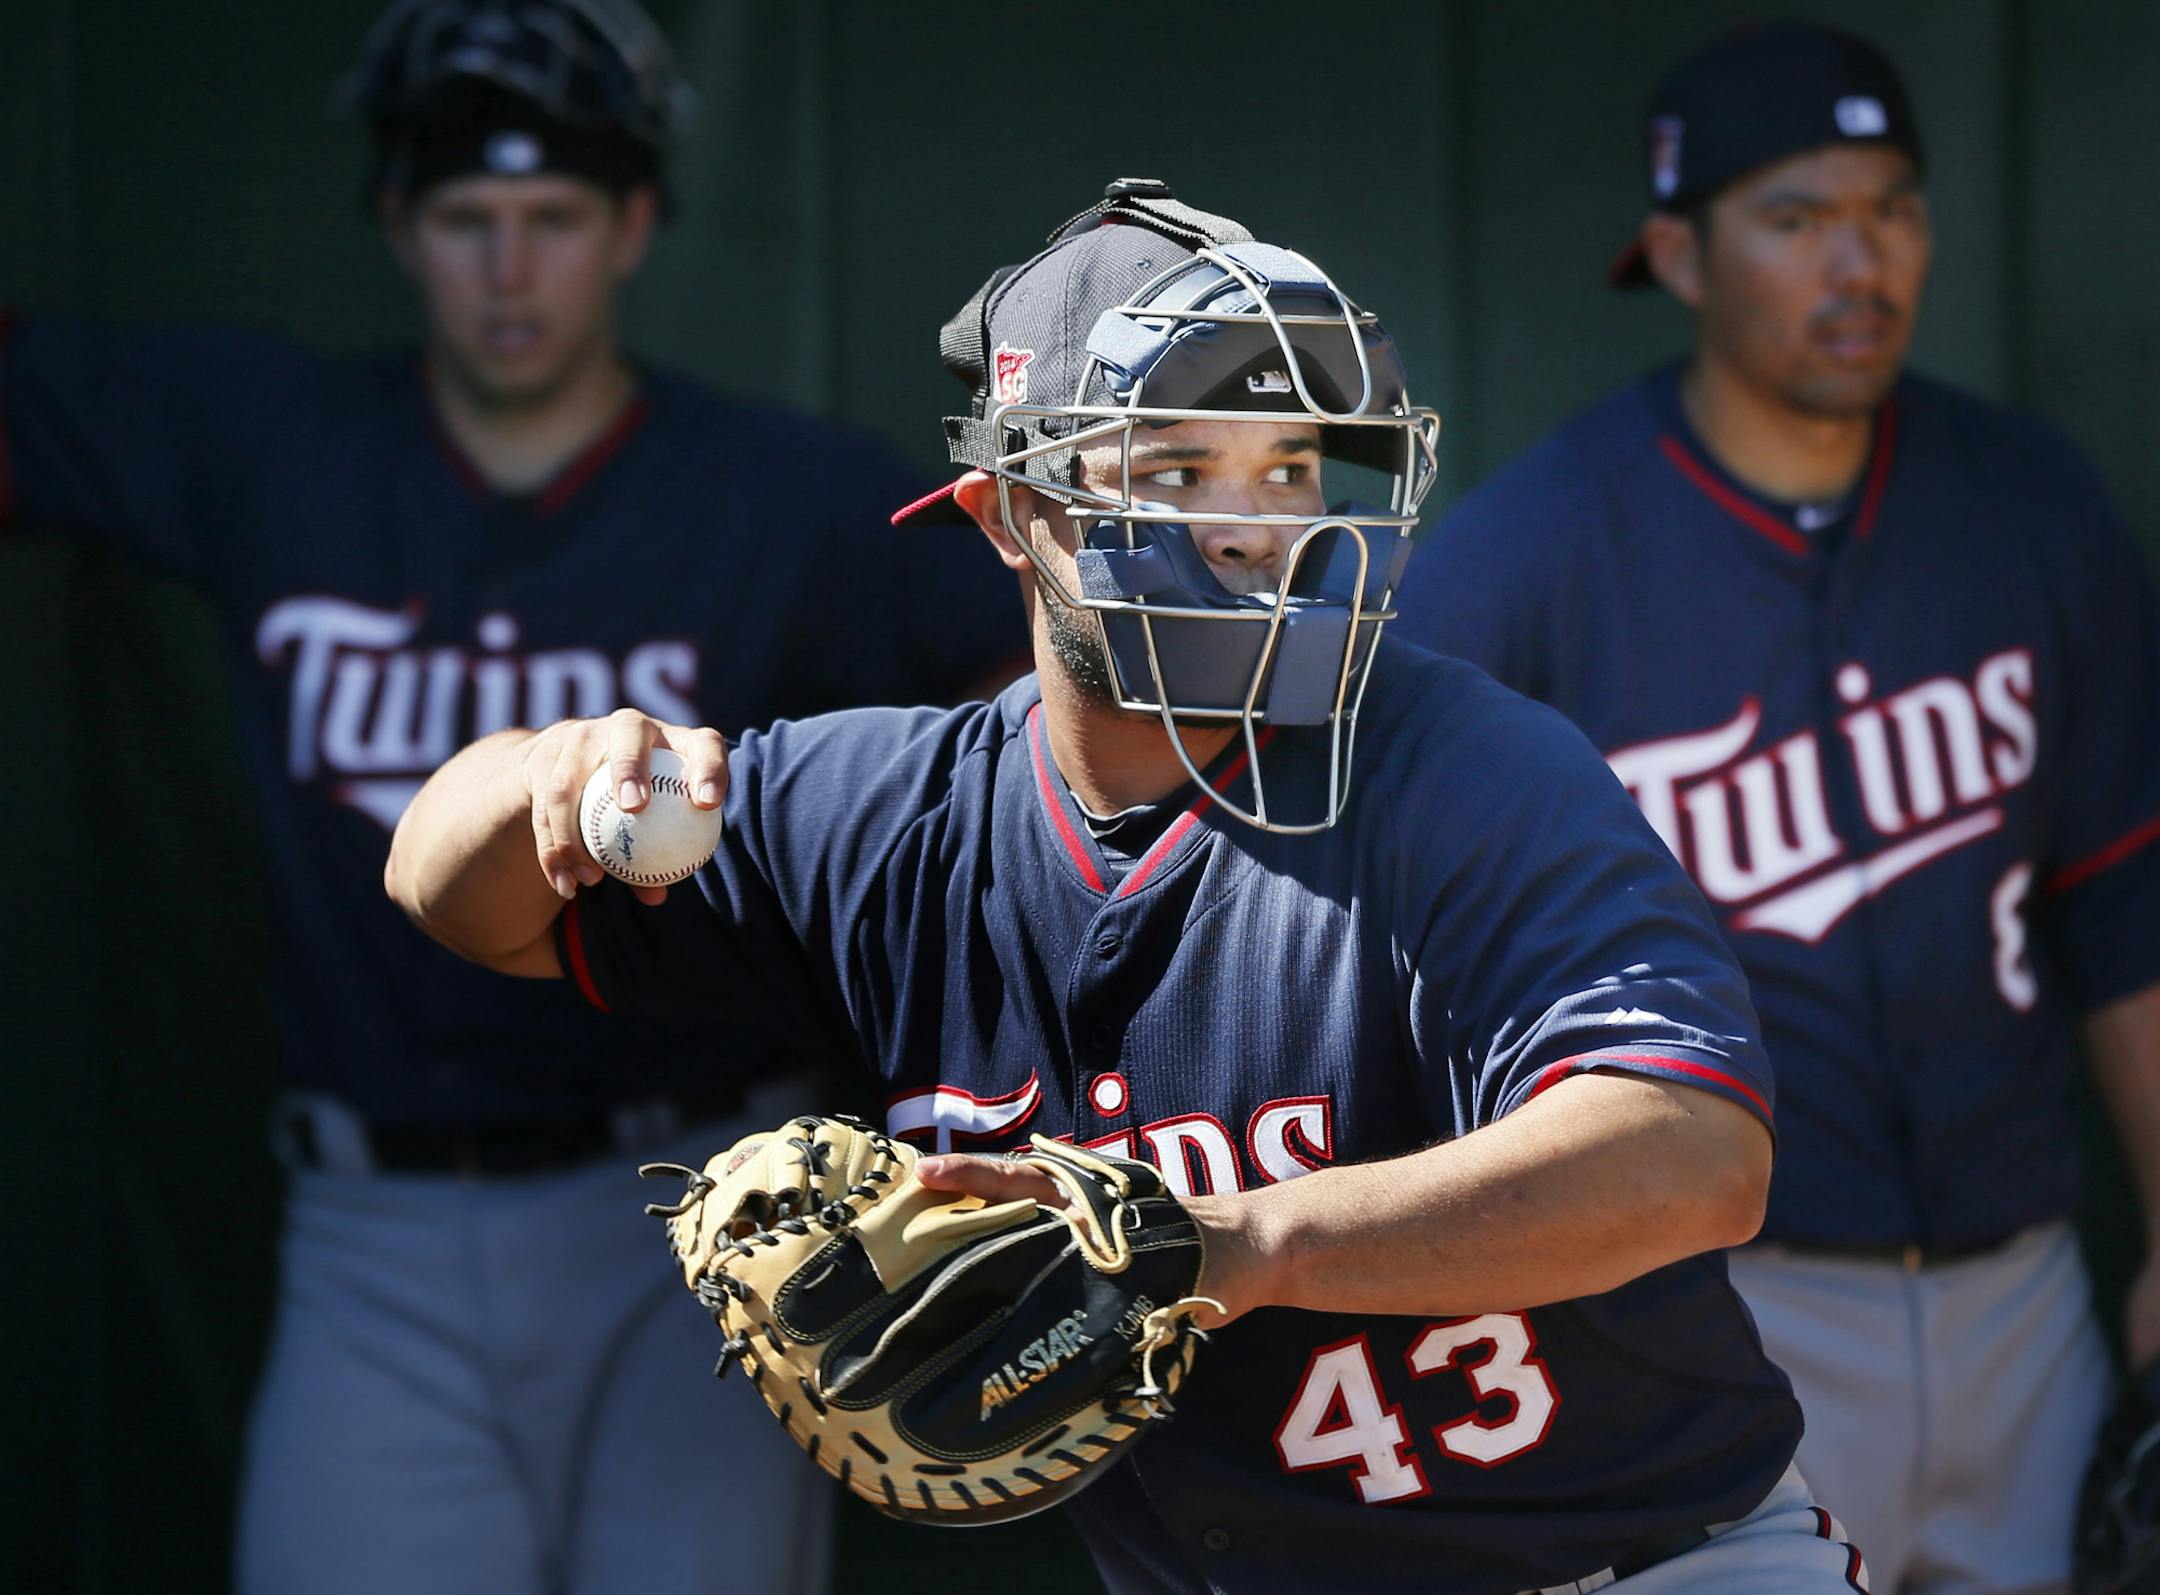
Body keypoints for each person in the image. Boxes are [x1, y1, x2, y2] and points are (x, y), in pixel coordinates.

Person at [385, 176, 1878, 1595]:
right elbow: (453, 897)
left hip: (1640, 1557)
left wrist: (1242, 1242)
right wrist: (539, 776)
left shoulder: (1463, 763)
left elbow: (1692, 1156)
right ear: (1002, 515)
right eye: (1173, 467)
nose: (1253, 521)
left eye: (1296, 464)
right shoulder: (893, 821)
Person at [0, 3, 1025, 1591]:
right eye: (467, 219)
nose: (507, 266)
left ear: (632, 227)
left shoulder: (784, 495)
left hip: (701, 1209)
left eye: (551, 218)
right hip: (371, 1230)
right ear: (401, 227)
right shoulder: (275, 446)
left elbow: (1048, 685)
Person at [1390, 22, 2160, 1594]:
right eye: (1798, 217)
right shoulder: (1531, 558)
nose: (1858, 261)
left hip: (2028, 1290)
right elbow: (1392, 949)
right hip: (1723, 1302)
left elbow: (2121, 898)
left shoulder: (2029, 500)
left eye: (1892, 209)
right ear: (1677, 254)